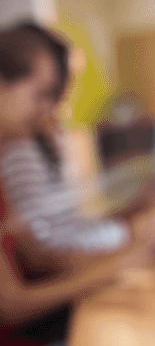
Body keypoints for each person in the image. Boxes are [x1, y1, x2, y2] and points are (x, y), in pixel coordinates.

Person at [0, 24, 155, 346]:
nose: (50, 109)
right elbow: (11, 304)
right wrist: (111, 267)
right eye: (41, 94)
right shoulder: (16, 157)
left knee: (124, 336)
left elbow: (36, 253)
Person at [0, 23, 131, 258]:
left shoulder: (23, 147)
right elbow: (40, 257)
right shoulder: (18, 152)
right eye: (42, 93)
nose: (51, 109)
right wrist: (128, 249)